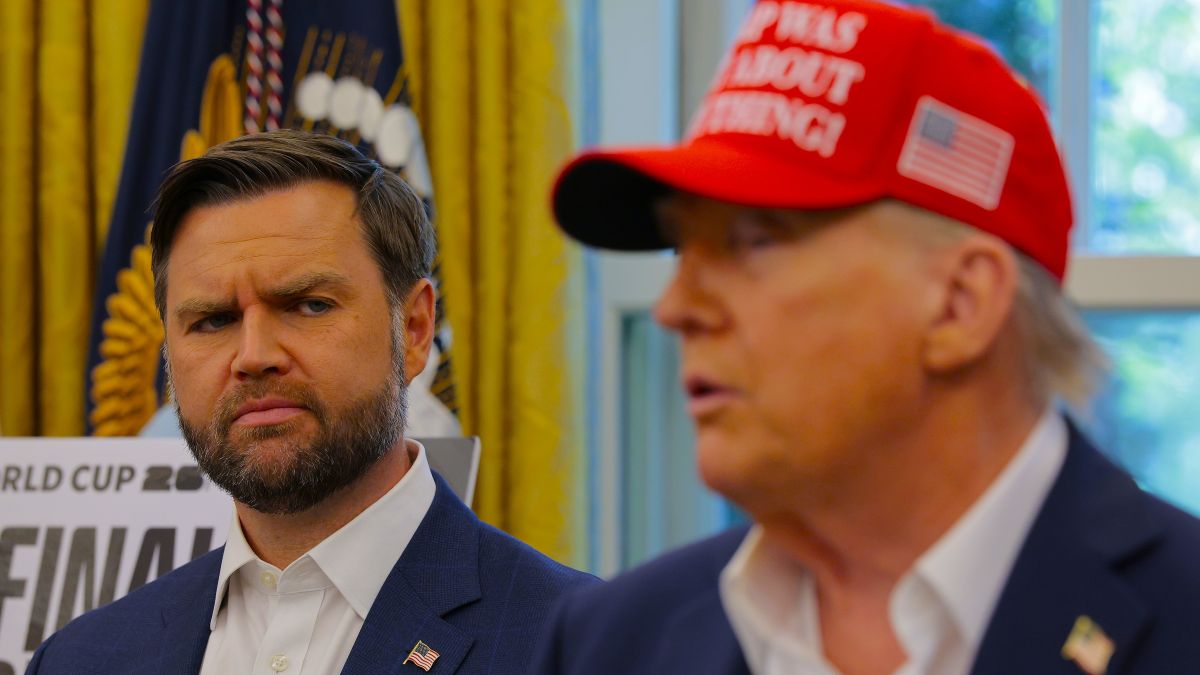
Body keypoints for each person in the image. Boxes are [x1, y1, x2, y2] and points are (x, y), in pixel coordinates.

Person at [534, 2, 1200, 674]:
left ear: (959, 304)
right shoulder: (612, 640)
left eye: (755, 240)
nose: (674, 308)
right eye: (682, 252)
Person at [28, 130, 596, 675]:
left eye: (309, 305)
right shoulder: (81, 660)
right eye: (213, 320)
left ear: (416, 329)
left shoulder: (585, 648)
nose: (253, 355)